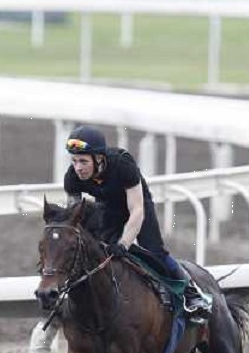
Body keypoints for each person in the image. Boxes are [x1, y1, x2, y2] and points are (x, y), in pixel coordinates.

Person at [63, 125, 212, 320]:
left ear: (99, 158)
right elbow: (74, 217)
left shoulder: (122, 164)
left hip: (137, 204)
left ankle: (191, 293)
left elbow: (137, 210)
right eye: (74, 161)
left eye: (83, 161)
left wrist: (124, 244)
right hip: (108, 206)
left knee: (155, 251)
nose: (78, 167)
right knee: (100, 248)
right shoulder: (72, 177)